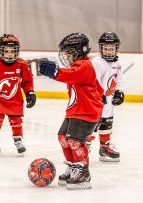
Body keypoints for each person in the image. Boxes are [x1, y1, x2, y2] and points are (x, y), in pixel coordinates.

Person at [39, 33, 104, 189]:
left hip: (86, 112)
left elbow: (70, 75)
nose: (66, 57)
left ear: (78, 51)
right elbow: (95, 84)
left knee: (75, 141)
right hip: (75, 111)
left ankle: (83, 172)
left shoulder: (84, 65)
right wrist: (101, 95)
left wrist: (55, 72)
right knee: (63, 137)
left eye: (69, 53)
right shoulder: (80, 67)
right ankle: (73, 166)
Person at [0, 34, 36, 155]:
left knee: (16, 121)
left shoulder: (22, 64)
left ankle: (18, 140)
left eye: (12, 51)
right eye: (6, 51)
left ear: (17, 51)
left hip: (15, 100)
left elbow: (27, 81)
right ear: (1, 51)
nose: (9, 54)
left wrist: (30, 92)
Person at [87, 32, 124, 162]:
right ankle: (84, 148)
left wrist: (119, 92)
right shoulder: (97, 62)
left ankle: (104, 148)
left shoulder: (117, 63)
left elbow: (118, 79)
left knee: (107, 124)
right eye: (106, 48)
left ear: (116, 48)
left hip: (108, 103)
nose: (108, 50)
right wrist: (97, 95)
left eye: (111, 48)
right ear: (101, 48)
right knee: (92, 127)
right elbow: (93, 81)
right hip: (96, 102)